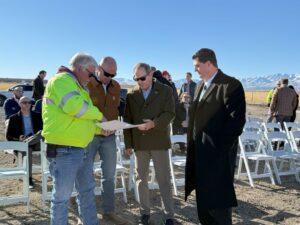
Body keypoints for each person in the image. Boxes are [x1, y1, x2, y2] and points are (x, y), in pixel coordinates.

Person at [42, 53, 105, 225]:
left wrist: (100, 128)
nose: (92, 79)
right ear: (79, 68)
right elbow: (74, 107)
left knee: (86, 192)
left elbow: (83, 119)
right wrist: (100, 117)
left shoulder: (79, 87)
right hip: (64, 150)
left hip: (81, 148)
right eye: (91, 74)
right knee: (62, 198)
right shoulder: (61, 81)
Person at [185, 48, 246, 225]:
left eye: (197, 66)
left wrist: (217, 150)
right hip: (199, 157)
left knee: (218, 209)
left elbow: (235, 124)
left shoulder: (230, 85)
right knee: (203, 207)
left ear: (209, 64)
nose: (195, 69)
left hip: (217, 159)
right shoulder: (199, 86)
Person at [124, 63, 176, 225]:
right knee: (141, 179)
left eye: (142, 78)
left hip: (159, 141)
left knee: (164, 179)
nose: (139, 81)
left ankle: (169, 215)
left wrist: (154, 123)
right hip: (140, 143)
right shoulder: (131, 94)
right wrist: (128, 144)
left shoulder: (165, 90)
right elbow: (127, 120)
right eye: (136, 78)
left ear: (151, 74)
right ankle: (144, 213)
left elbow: (170, 113)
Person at [86, 56, 129, 225]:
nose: (110, 77)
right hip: (89, 137)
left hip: (110, 137)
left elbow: (115, 109)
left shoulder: (116, 86)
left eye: (114, 74)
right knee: (85, 175)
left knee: (109, 176)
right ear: (98, 68)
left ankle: (108, 211)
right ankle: (86, 214)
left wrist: (114, 125)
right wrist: (98, 124)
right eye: (107, 73)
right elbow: (83, 111)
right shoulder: (87, 84)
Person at [6, 96, 43, 188]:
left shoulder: (38, 115)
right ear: (19, 104)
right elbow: (8, 136)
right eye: (24, 102)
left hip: (36, 142)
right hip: (23, 143)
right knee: (27, 148)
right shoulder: (14, 118)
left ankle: (27, 142)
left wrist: (32, 138)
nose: (27, 104)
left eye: (29, 102)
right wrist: (18, 138)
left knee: (41, 133)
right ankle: (29, 178)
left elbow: (43, 131)